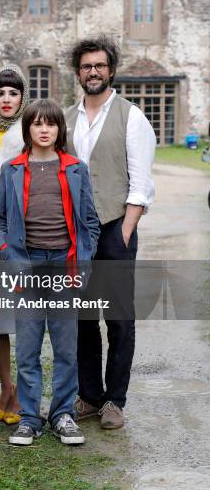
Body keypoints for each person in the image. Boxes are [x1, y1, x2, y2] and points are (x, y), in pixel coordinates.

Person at [0, 99, 100, 446]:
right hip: (27, 265)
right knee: (27, 347)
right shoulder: (12, 169)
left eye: (50, 124)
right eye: (37, 124)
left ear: (59, 129)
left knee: (66, 347)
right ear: (27, 130)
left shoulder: (75, 168)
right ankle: (29, 418)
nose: (43, 129)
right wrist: (7, 252)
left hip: (64, 265)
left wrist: (82, 260)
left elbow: (90, 222)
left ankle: (62, 414)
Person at [65, 35, 156, 429]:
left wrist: (125, 229)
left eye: (100, 65)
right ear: (78, 72)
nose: (93, 72)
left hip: (115, 227)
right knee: (81, 318)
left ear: (111, 69)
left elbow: (141, 181)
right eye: (86, 66)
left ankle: (115, 400)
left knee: (118, 318)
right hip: (74, 235)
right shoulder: (65, 117)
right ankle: (89, 395)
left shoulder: (130, 116)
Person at [0, 64, 29, 425]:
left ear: (22, 97)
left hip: (25, 237)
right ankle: (6, 387)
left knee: (27, 317)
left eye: (14, 92)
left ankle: (27, 395)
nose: (7, 99)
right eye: (1, 92)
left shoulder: (33, 134)